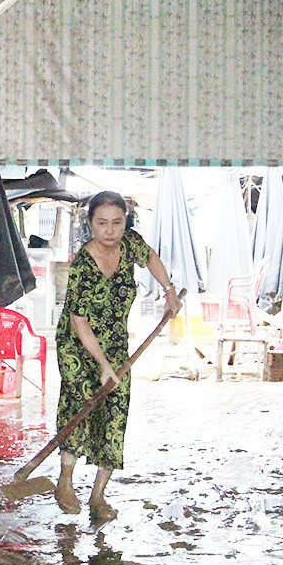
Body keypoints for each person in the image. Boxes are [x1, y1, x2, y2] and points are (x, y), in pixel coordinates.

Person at [55, 191, 181, 523]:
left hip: (115, 344)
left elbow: (150, 257)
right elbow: (79, 321)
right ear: (90, 224)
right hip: (77, 346)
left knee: (114, 412)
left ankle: (98, 496)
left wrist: (168, 291)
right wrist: (102, 366)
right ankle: (65, 481)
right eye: (102, 223)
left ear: (126, 222)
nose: (110, 230)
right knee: (79, 407)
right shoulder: (82, 264)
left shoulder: (130, 244)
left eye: (117, 222)